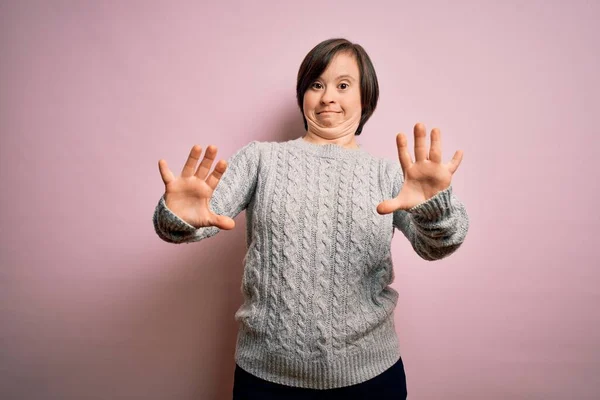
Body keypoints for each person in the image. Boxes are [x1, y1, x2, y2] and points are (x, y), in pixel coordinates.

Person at [153, 38, 469, 399]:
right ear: (303, 95)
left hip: (370, 377)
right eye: (316, 85)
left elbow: (440, 244)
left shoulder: (389, 175)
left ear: (365, 99)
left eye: (343, 85)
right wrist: (179, 217)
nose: (327, 97)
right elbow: (188, 222)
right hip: (266, 378)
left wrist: (434, 209)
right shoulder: (260, 159)